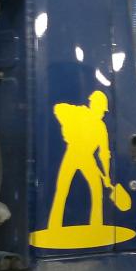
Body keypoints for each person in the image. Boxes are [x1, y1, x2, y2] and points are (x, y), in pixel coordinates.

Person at [48, 89, 112, 229]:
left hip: (87, 158)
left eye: (103, 110)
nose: (102, 113)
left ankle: (96, 227)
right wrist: (72, 119)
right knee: (62, 189)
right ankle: (54, 226)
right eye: (101, 109)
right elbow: (58, 108)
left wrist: (107, 176)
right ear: (93, 105)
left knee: (97, 190)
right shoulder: (80, 113)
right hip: (72, 153)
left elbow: (103, 154)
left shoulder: (101, 128)